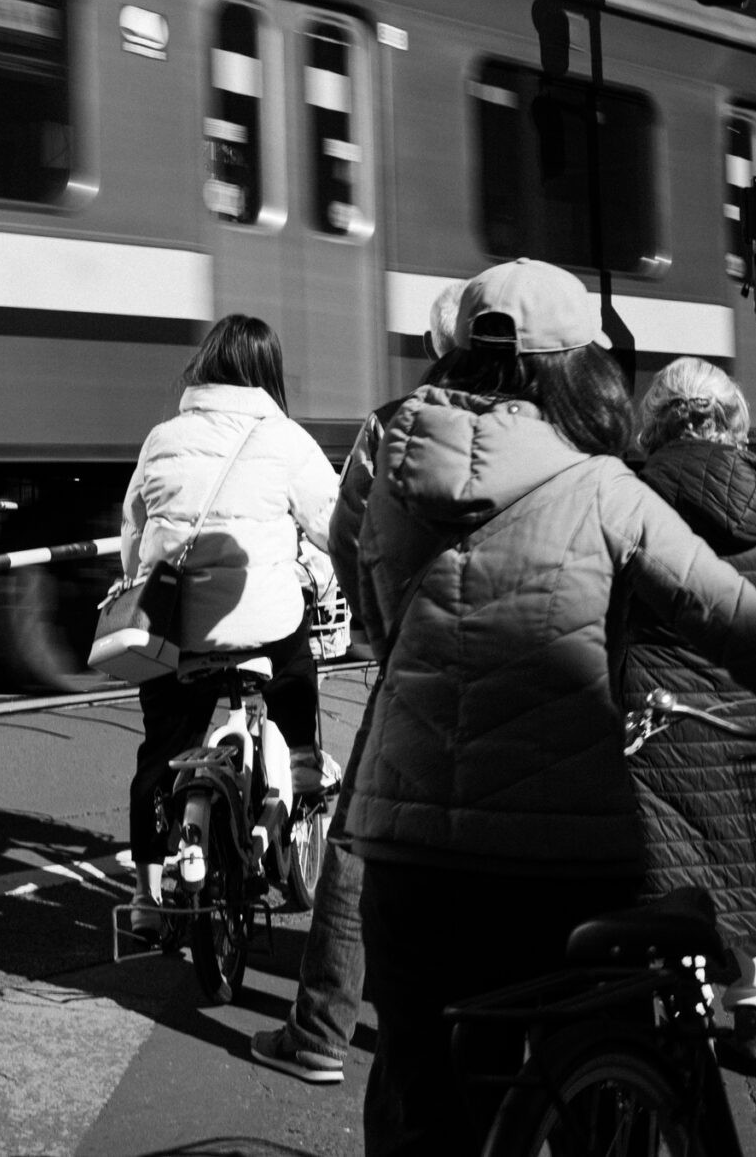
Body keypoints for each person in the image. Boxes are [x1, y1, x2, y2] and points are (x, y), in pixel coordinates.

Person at [347, 258, 756, 1155]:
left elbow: (379, 620)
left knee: (425, 1115)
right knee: (604, 1097)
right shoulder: (604, 491)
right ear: (577, 371)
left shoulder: (394, 479)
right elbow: (754, 636)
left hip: (405, 852)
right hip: (556, 858)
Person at [249, 276, 473, 1087]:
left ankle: (320, 1029)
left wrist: (382, 624)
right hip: (527, 661)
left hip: (417, 656)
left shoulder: (392, 424)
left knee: (358, 842)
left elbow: (347, 537)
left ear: (433, 346)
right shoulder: (551, 428)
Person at [118, 313, 340, 940]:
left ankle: (144, 896)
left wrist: (139, 572)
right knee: (294, 665)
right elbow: (335, 526)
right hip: (263, 628)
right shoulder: (287, 439)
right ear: (267, 373)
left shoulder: (162, 437)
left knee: (160, 751)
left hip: (177, 630)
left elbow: (133, 535)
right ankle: (301, 770)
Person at [620, 356, 756, 1075]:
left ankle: (687, 1005)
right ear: (732, 421)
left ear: (657, 422)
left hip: (659, 718)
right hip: (747, 721)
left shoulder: (635, 499)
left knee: (674, 865)